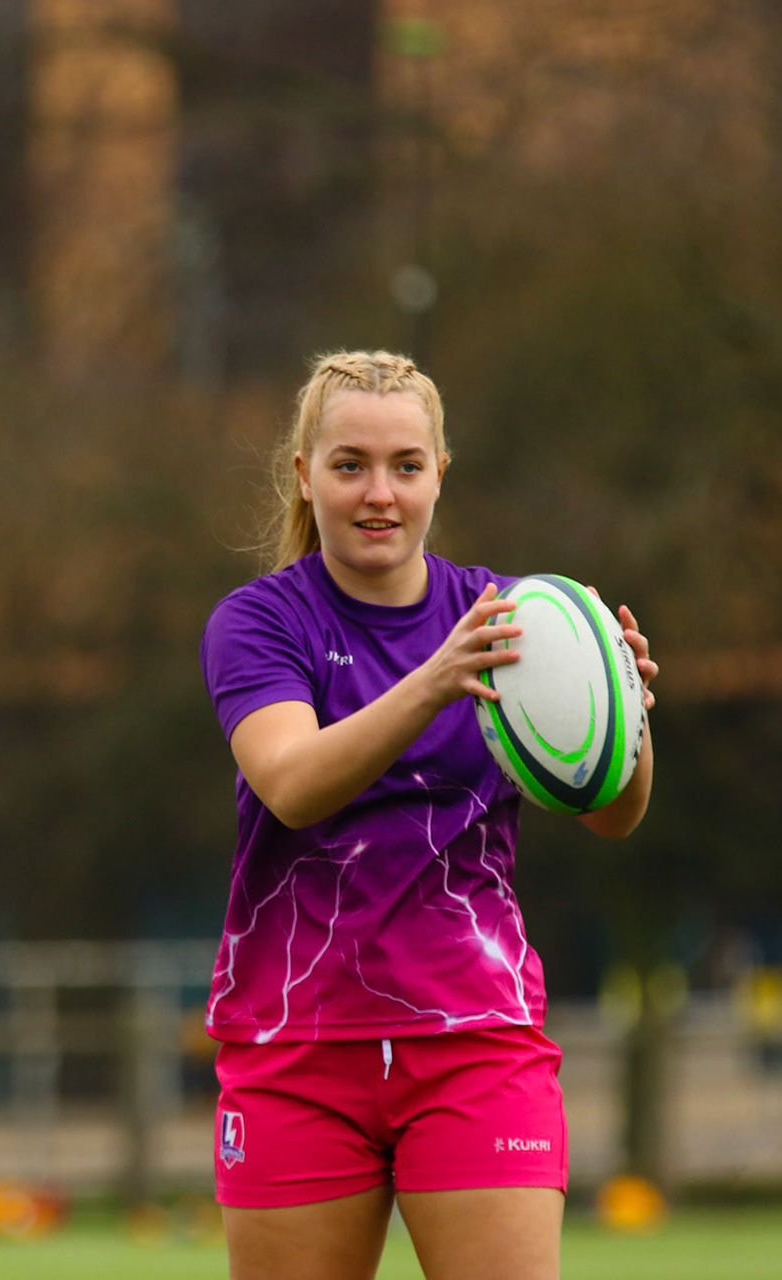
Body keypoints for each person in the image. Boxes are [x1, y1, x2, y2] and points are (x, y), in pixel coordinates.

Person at [199, 351, 658, 1280]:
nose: (380, 493)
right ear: (303, 474)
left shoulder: (511, 622)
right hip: (298, 1050)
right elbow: (291, 780)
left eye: (407, 466)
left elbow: (614, 816)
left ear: (440, 474)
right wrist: (433, 681)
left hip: (474, 1041)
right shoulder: (258, 624)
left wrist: (623, 719)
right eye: (350, 465)